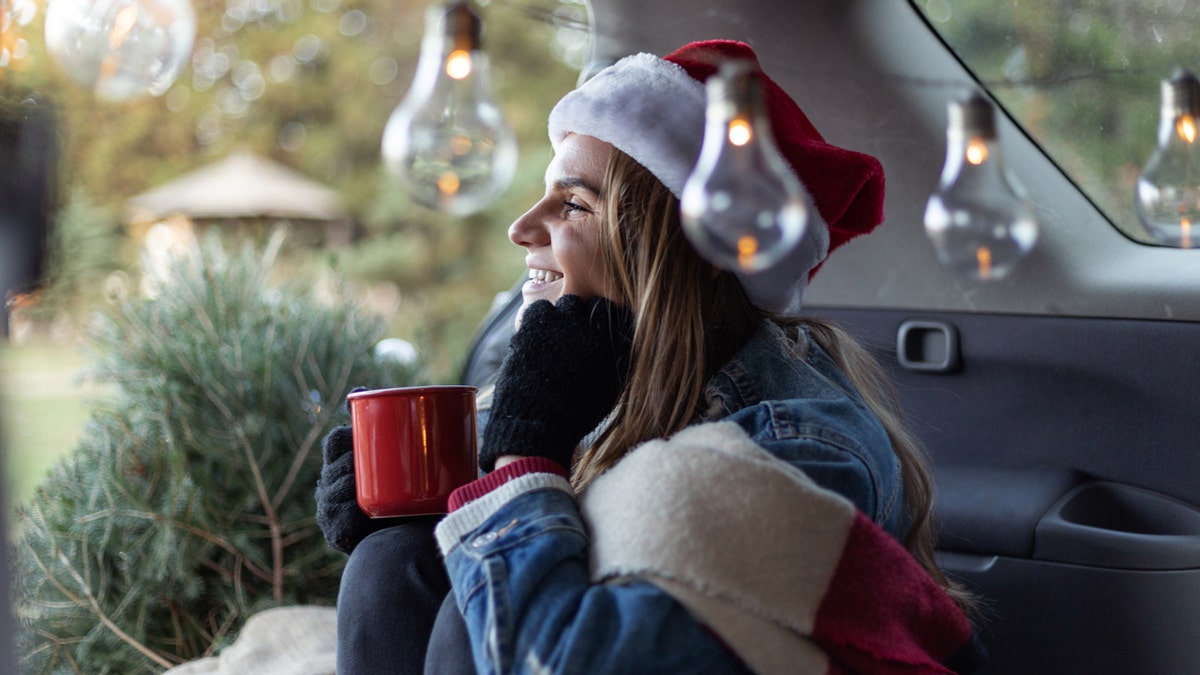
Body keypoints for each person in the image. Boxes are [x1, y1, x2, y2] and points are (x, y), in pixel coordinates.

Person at [317, 39, 985, 674]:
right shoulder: (603, 378)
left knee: (472, 621)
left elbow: (559, 660)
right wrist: (431, 511)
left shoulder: (802, 449)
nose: (521, 228)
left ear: (680, 248)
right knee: (391, 563)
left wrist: (524, 455)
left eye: (573, 202)